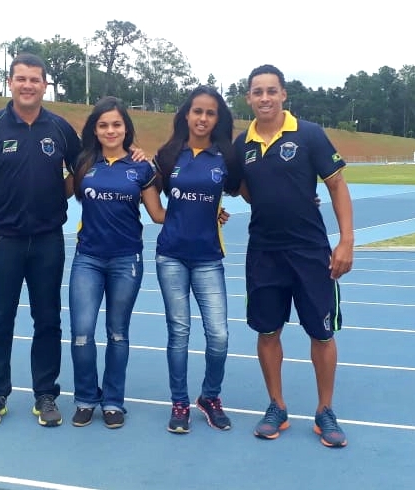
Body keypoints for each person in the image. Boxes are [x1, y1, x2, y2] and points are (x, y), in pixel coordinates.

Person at [0, 53, 82, 428]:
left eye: (35, 80)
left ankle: (46, 394)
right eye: (21, 79)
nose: (28, 85)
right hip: (2, 240)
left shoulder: (59, 129)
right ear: (10, 83)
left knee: (48, 320)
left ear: (45, 85)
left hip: (47, 241)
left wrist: (66, 189)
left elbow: (85, 167)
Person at [232, 64, 354, 447]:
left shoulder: (310, 134)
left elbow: (336, 186)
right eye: (257, 92)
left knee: (321, 332)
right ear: (249, 98)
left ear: (284, 94)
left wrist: (346, 241)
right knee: (268, 331)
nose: (264, 98)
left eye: (271, 90)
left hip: (309, 251)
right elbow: (242, 188)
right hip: (264, 252)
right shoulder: (242, 144)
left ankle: (325, 411)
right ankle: (277, 406)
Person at [68, 96, 165, 429]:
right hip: (88, 260)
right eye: (103, 125)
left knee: (117, 334)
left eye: (116, 124)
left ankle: (112, 401)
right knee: (81, 333)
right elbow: (52, 193)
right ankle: (84, 398)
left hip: (127, 260)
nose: (110, 130)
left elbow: (158, 215)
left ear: (126, 128)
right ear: (95, 130)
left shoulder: (141, 168)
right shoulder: (83, 164)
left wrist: (206, 210)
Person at [153, 85, 242, 434]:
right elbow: (149, 193)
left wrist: (301, 199)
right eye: (197, 111)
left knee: (218, 335)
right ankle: (179, 402)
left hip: (208, 258)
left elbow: (248, 189)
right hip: (171, 255)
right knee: (179, 333)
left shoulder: (226, 157)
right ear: (186, 115)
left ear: (217, 119)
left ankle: (209, 397)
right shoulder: (169, 154)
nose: (203, 118)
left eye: (210, 113)